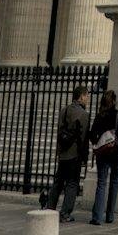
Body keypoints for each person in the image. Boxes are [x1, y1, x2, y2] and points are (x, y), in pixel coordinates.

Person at [43, 86, 90, 223]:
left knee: (58, 181)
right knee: (72, 183)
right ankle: (65, 213)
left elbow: (59, 132)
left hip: (63, 152)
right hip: (74, 153)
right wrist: (84, 157)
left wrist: (59, 151)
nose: (88, 98)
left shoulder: (64, 110)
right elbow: (83, 138)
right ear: (81, 96)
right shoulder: (83, 114)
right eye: (86, 96)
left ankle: (50, 208)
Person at [87, 89, 118, 225]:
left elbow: (92, 135)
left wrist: (98, 141)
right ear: (114, 101)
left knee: (101, 183)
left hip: (104, 152)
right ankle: (110, 215)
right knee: (115, 182)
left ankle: (97, 217)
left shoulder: (100, 116)